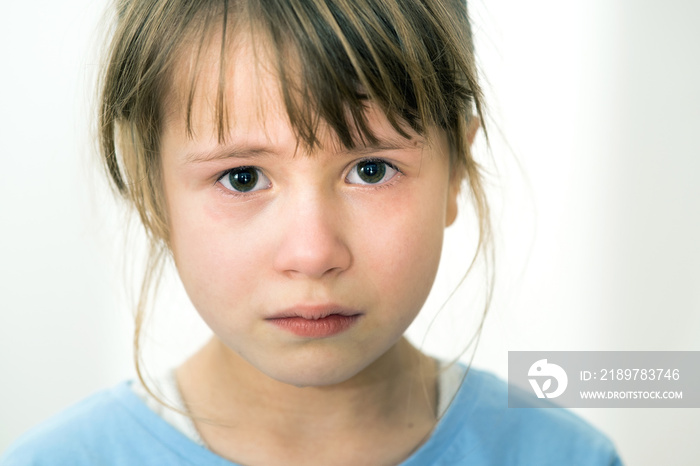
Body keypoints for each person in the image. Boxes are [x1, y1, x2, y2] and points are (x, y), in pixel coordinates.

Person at [1, 0, 623, 464]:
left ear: (457, 169)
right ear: (150, 189)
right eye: (242, 178)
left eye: (371, 170)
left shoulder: (564, 456)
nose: (313, 253)